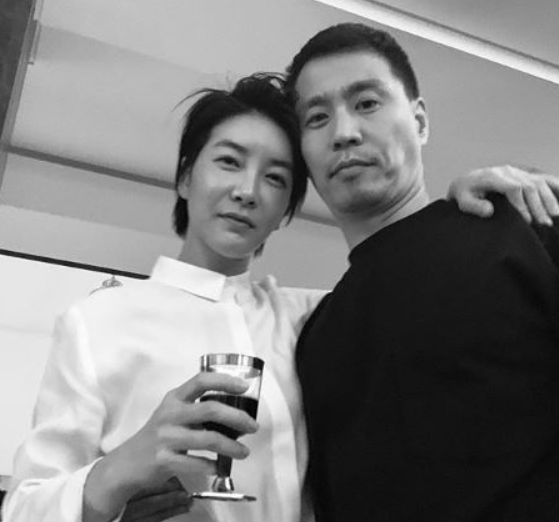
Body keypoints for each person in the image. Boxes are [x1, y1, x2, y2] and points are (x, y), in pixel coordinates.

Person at [1, 72, 557, 522]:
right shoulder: (98, 322)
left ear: (285, 212)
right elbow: (24, 506)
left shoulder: (308, 318)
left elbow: (408, 284)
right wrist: (113, 475)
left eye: (275, 179)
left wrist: (465, 208)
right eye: (228, 161)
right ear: (186, 178)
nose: (247, 191)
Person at [289, 23, 559, 521]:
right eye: (317, 117)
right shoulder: (316, 340)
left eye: (366, 103)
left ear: (420, 121)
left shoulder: (523, 224)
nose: (344, 132)